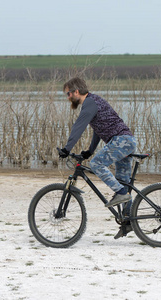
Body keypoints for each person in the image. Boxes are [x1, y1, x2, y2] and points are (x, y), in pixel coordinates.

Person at [58, 77, 137, 211]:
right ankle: (128, 221)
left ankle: (122, 193)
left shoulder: (89, 103)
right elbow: (99, 130)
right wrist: (90, 150)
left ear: (76, 92)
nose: (67, 98)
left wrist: (67, 149)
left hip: (121, 141)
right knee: (122, 182)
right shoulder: (94, 100)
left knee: (96, 164)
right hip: (126, 141)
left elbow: (78, 127)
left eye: (68, 94)